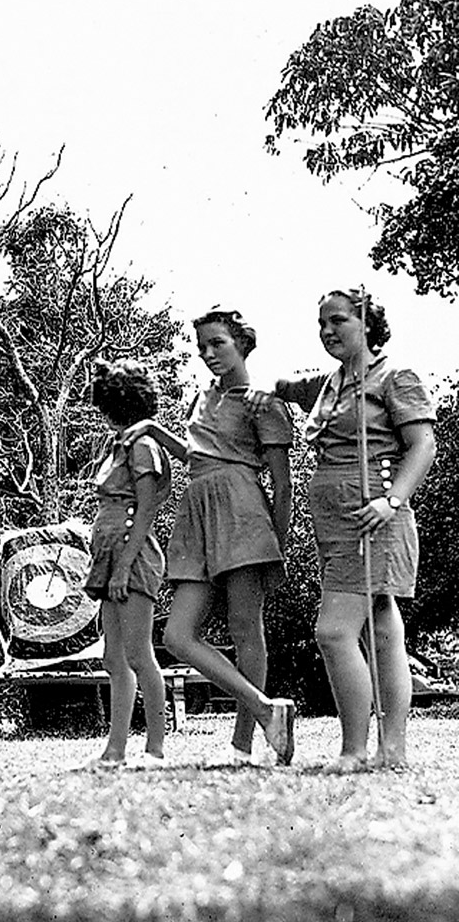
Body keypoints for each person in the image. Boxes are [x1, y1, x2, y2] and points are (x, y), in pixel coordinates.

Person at [251, 289, 436, 772]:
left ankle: (355, 750)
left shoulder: (395, 377)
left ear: (368, 323)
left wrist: (392, 499)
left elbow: (423, 445)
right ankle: (391, 750)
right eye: (321, 324)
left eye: (339, 321)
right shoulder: (330, 383)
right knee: (380, 627)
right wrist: (260, 388)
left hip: (371, 514)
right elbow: (286, 386)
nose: (328, 331)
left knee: (333, 632)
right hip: (333, 520)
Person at [123, 307, 296, 766]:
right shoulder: (200, 398)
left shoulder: (263, 402)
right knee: (178, 635)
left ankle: (244, 744)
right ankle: (265, 708)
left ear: (241, 343)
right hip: (196, 510)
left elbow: (282, 483)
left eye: (217, 343)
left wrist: (278, 544)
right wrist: (154, 429)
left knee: (245, 628)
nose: (208, 353)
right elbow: (195, 456)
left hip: (242, 509)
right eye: (201, 346)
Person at [80, 359, 172, 769]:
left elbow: (147, 507)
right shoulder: (117, 444)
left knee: (138, 653)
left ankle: (155, 747)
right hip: (108, 552)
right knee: (114, 658)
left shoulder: (143, 445)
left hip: (131, 555)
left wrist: (123, 568)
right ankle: (115, 749)